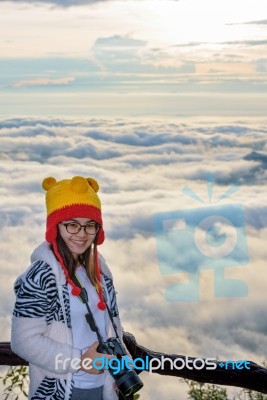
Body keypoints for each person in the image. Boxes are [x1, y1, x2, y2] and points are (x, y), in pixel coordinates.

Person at [11, 176, 129, 400]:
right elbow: (23, 342)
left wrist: (123, 366)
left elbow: (111, 326)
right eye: (72, 224)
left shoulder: (99, 270)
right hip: (62, 390)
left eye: (89, 225)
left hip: (103, 388)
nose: (82, 234)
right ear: (55, 226)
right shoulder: (40, 276)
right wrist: (80, 361)